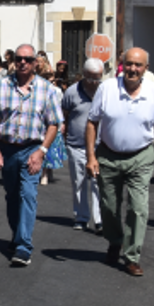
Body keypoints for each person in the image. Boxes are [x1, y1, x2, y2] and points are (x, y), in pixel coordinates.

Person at [85, 47, 154, 278]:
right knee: (109, 207)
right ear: (122, 65)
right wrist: (91, 157)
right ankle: (115, 241)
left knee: (138, 208)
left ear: (146, 68)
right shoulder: (107, 88)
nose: (133, 69)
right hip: (108, 155)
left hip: (141, 157)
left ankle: (132, 256)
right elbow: (92, 123)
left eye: (138, 65)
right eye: (129, 64)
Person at [0, 43, 63, 266]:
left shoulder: (46, 89)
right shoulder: (2, 86)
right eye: (19, 58)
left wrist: (42, 152)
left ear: (35, 63)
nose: (22, 63)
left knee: (28, 194)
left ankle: (23, 246)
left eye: (27, 60)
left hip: (32, 149)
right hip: (7, 149)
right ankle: (17, 234)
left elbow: (54, 124)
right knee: (12, 196)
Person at [62, 58, 105, 233]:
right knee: (78, 182)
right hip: (76, 144)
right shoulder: (72, 92)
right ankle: (81, 217)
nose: (94, 81)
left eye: (98, 77)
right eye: (91, 77)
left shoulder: (105, 91)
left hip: (99, 145)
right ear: (84, 74)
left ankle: (100, 219)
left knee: (97, 183)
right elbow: (65, 115)